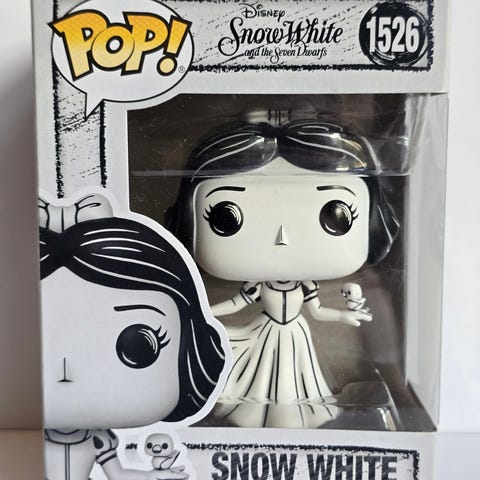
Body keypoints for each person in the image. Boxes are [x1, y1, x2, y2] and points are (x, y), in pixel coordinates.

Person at [168, 120, 399, 428]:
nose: (282, 237)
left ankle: (293, 416)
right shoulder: (256, 284)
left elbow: (317, 311)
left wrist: (344, 316)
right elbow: (237, 303)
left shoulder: (306, 284)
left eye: (335, 215)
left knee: (297, 380)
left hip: (294, 333)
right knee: (258, 380)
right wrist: (205, 313)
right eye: (226, 217)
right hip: (266, 332)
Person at [39, 193, 228, 479]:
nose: (66, 367)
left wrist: (154, 475)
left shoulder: (100, 440)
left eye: (139, 346)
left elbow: (119, 475)